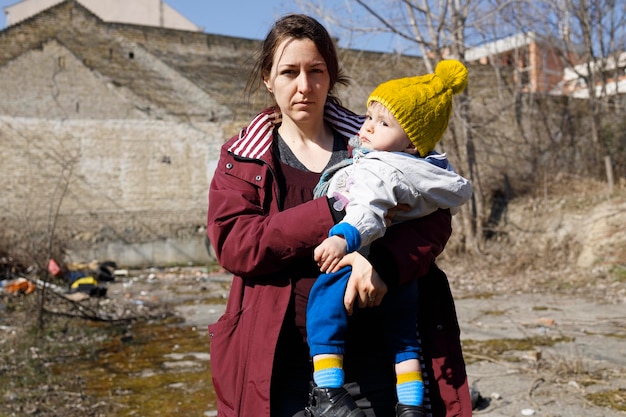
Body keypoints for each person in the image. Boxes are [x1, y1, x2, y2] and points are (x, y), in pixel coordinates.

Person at [206, 13, 473, 417]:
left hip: (374, 358)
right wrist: (332, 211)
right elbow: (235, 244)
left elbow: (433, 221)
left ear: (331, 76)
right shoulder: (244, 156)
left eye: (316, 71)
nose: (303, 86)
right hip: (278, 363)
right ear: (267, 78)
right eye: (289, 72)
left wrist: (382, 264)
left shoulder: (375, 143)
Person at [306, 60, 472, 417]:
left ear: (412, 142)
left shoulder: (380, 167)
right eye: (370, 117)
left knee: (323, 307)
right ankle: (412, 405)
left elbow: (367, 210)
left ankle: (327, 391)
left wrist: (341, 238)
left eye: (383, 124)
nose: (367, 127)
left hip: (361, 251)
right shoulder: (429, 173)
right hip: (402, 275)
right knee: (404, 337)